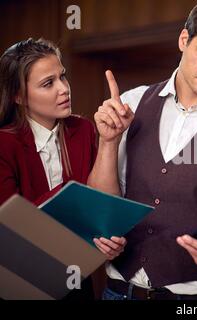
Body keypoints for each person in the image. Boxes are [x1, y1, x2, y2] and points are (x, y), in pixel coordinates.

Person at [87, 0, 197, 300]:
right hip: (118, 291)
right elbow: (103, 208)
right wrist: (108, 142)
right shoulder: (132, 102)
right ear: (184, 40)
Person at [0, 38, 125, 300]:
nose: (64, 89)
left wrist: (103, 240)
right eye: (48, 83)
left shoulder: (82, 130)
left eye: (63, 77)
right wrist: (73, 201)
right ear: (19, 96)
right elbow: (11, 232)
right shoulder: (4, 144)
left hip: (76, 279)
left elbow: (101, 204)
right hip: (22, 281)